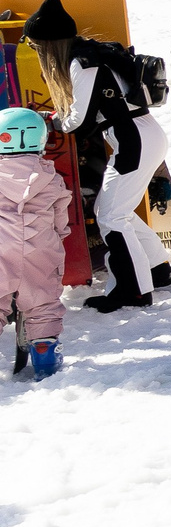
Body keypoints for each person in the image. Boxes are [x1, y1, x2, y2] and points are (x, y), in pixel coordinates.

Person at [26, 0, 170, 314]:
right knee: (116, 208)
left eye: (36, 47)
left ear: (49, 44)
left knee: (110, 214)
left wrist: (49, 121)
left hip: (134, 139)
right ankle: (157, 268)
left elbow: (81, 118)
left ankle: (130, 291)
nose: (37, 53)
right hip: (142, 134)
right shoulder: (94, 53)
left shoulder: (82, 62)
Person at [0, 107, 69, 380]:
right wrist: (56, 239)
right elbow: (60, 220)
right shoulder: (51, 178)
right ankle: (44, 352)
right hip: (39, 247)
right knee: (42, 301)